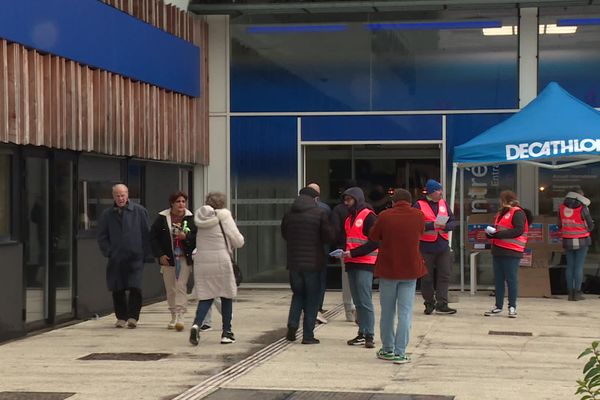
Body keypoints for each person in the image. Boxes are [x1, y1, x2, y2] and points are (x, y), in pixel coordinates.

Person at [369, 189, 426, 364]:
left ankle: (387, 349)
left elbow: (373, 236)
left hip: (389, 269)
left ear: (394, 201)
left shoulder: (385, 216)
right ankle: (401, 353)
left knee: (387, 312)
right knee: (405, 312)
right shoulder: (419, 215)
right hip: (410, 270)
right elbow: (421, 233)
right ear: (410, 201)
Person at [189, 192, 244, 346]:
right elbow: (238, 240)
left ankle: (196, 324)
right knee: (226, 295)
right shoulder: (225, 217)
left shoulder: (200, 218)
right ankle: (227, 332)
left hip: (202, 261)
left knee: (206, 296)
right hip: (221, 261)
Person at [281, 186, 334, 344]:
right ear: (316, 199)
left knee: (298, 294)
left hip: (294, 263)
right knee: (312, 298)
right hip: (313, 264)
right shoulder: (319, 214)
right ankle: (308, 335)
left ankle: (292, 325)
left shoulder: (289, 214)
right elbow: (328, 236)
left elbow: (284, 233)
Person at [97, 183, 152, 329]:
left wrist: (147, 254)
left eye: (123, 195)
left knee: (135, 287)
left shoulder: (139, 211)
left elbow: (146, 233)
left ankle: (133, 317)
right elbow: (102, 236)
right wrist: (109, 251)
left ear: (127, 195)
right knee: (118, 288)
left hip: (135, 256)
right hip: (116, 257)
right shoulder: (107, 215)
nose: (120, 198)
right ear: (113, 197)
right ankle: (121, 317)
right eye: (117, 195)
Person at [150, 191, 197, 331]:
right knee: (170, 288)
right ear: (172, 203)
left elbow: (196, 236)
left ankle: (180, 315)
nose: (181, 204)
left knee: (180, 285)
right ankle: (173, 315)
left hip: (184, 257)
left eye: (183, 201)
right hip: (168, 258)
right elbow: (153, 238)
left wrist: (186, 238)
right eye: (178, 201)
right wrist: (160, 255)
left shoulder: (190, 218)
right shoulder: (162, 218)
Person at [484, 190, 532, 318]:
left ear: (505, 200)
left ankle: (512, 306)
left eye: (501, 200)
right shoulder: (500, 213)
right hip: (498, 249)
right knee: (498, 280)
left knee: (511, 280)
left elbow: (519, 230)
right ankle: (498, 306)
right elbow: (499, 229)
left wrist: (498, 234)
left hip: (512, 250)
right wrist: (490, 233)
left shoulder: (517, 212)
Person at [413, 179, 457, 315]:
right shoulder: (419, 205)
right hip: (426, 246)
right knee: (427, 277)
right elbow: (414, 224)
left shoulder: (443, 203)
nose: (441, 193)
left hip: (442, 244)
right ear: (432, 192)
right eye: (439, 190)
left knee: (445, 274)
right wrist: (432, 226)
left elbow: (453, 220)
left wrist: (447, 227)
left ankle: (442, 303)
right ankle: (429, 303)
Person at [341, 186, 378, 349]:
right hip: (352, 263)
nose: (345, 202)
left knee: (364, 300)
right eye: (345, 199)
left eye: (348, 199)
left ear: (357, 199)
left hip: (365, 263)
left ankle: (369, 334)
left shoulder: (369, 216)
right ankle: (362, 332)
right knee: (358, 300)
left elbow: (375, 241)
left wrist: (353, 253)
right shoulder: (349, 219)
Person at [558, 190, 594, 301]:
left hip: (567, 240)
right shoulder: (583, 208)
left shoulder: (562, 207)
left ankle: (570, 293)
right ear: (579, 196)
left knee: (570, 266)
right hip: (582, 240)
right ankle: (577, 293)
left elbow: (559, 224)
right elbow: (591, 225)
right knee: (578, 266)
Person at [330, 180, 357, 322]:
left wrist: (338, 246)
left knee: (346, 279)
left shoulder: (338, 210)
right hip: (360, 251)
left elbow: (334, 231)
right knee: (359, 280)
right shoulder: (365, 210)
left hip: (344, 249)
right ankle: (358, 309)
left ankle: (349, 310)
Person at [307, 182, 331, 325]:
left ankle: (307, 308)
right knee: (320, 279)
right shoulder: (325, 209)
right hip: (321, 250)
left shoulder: (296, 209)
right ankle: (318, 307)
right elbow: (329, 231)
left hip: (302, 253)